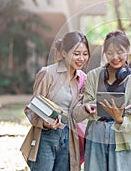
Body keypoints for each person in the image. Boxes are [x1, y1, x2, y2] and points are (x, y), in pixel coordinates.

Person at [73, 30, 131, 171]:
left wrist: (120, 119)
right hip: (96, 134)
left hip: (122, 137)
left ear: (128, 51)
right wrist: (88, 108)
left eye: (119, 52)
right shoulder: (93, 76)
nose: (115, 57)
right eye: (110, 53)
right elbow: (86, 104)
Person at [20, 31, 90, 171]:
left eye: (85, 54)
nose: (81, 58)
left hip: (70, 137)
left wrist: (87, 109)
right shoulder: (48, 74)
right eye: (76, 54)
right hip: (46, 136)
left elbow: (77, 115)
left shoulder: (82, 79)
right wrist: (44, 123)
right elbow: (31, 109)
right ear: (64, 53)